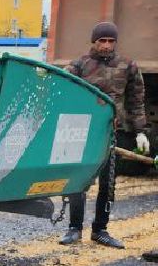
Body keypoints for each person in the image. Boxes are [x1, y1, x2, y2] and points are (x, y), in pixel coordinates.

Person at [60, 21, 149, 249]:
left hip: (110, 133)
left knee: (107, 184)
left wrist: (140, 132)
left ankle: (100, 230)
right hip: (83, 132)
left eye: (111, 41)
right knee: (79, 181)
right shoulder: (80, 65)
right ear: (94, 41)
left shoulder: (128, 65)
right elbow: (61, 89)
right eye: (102, 41)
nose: (107, 45)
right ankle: (74, 228)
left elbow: (136, 101)